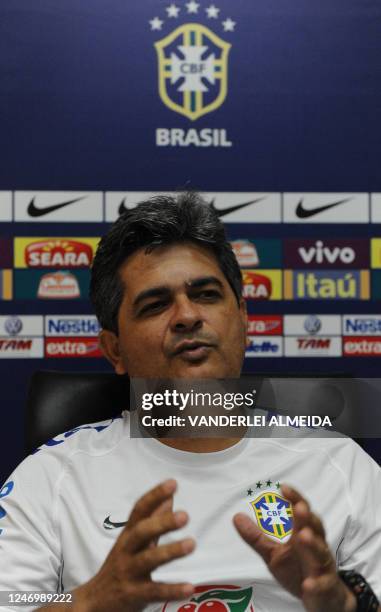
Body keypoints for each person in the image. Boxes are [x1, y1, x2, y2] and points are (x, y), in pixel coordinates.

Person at [0, 192, 380, 612]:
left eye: (206, 294)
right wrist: (87, 600)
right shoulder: (53, 478)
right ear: (115, 351)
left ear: (244, 319)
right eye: (155, 305)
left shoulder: (340, 467)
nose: (187, 316)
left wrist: (346, 604)